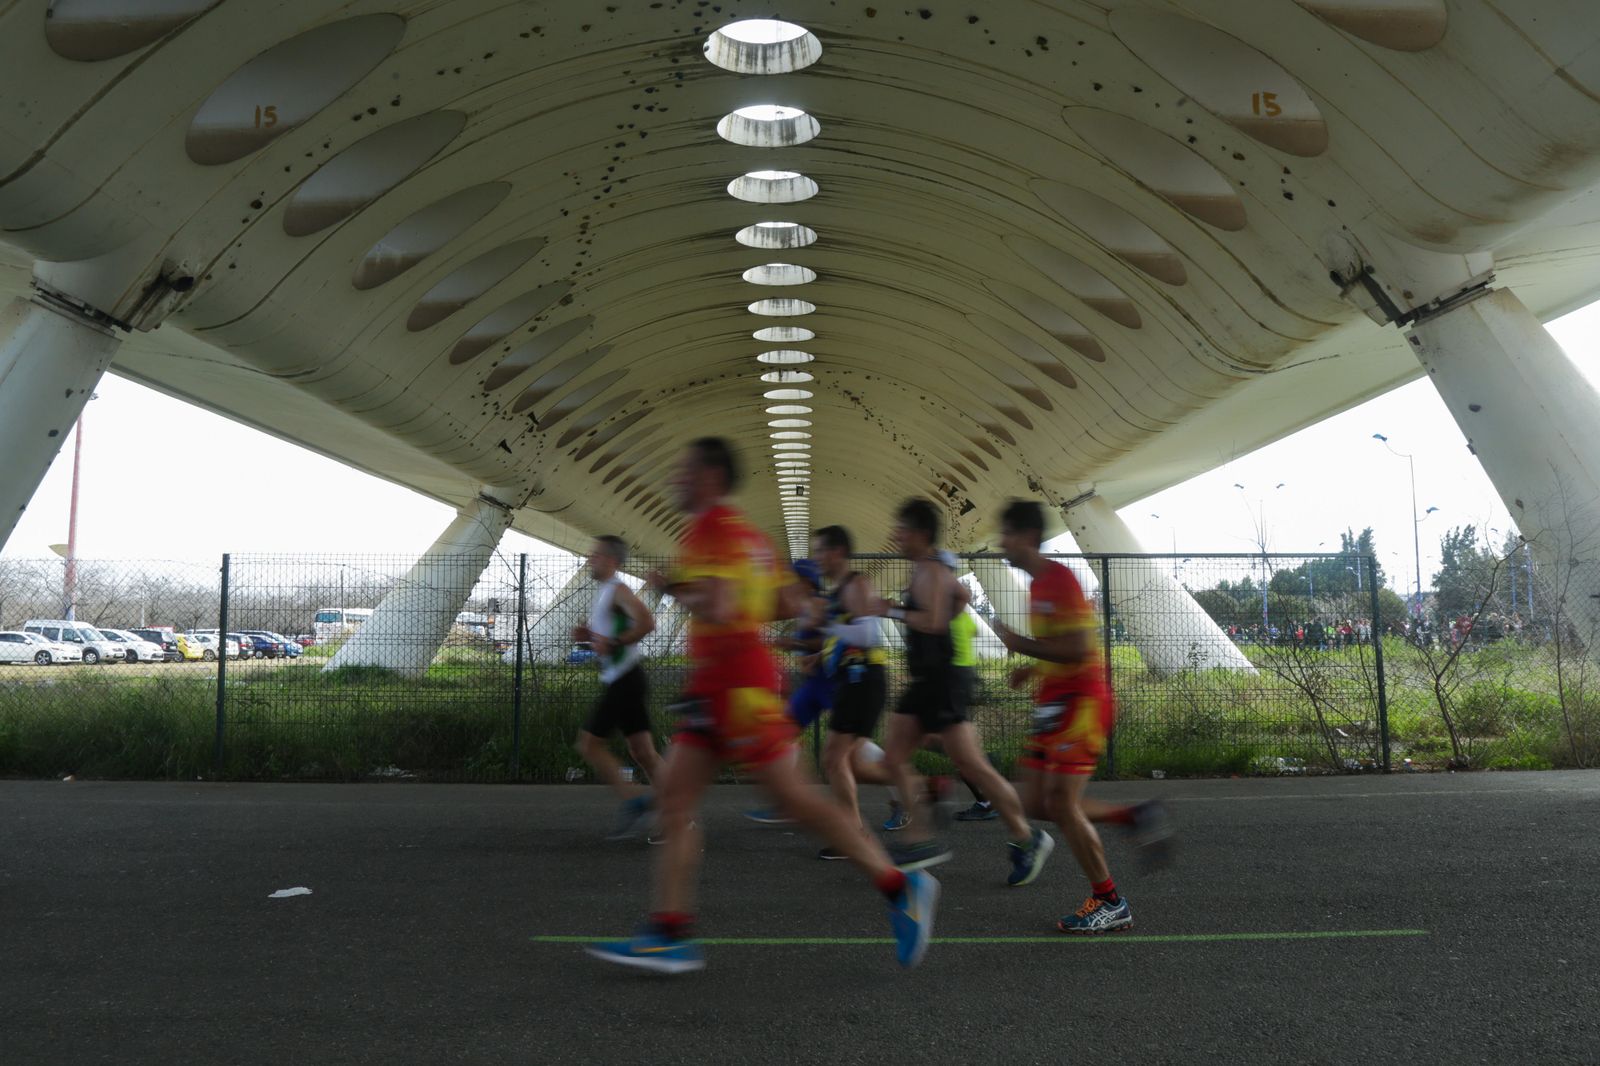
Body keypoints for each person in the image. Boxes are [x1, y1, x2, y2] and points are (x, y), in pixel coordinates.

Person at [586, 439, 937, 973]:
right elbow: (782, 601)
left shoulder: (707, 531)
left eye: (684, 471)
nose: (675, 480)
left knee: (794, 800)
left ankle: (900, 885)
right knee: (678, 803)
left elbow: (723, 602)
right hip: (721, 684)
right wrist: (802, 607)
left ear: (710, 477)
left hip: (735, 689)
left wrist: (673, 584)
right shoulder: (750, 539)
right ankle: (668, 930)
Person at [991, 500, 1172, 934]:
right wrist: (1032, 668)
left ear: (1028, 538)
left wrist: (1019, 644)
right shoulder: (1038, 587)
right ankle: (1133, 817)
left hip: (1081, 705)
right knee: (1034, 802)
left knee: (1063, 805)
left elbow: (1077, 649)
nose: (1001, 543)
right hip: (1054, 702)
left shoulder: (1060, 580)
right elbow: (1061, 648)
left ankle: (1109, 901)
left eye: (1007, 535)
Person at [881, 497, 1052, 886]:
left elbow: (935, 620)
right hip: (929, 679)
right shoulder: (928, 572)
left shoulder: (933, 573)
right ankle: (920, 837)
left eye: (902, 529)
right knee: (896, 755)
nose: (896, 535)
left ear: (921, 534)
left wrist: (887, 610)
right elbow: (962, 597)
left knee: (973, 766)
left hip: (942, 680)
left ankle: (1026, 838)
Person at [570, 535, 662, 841]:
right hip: (626, 678)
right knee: (644, 753)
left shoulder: (618, 589)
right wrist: (589, 637)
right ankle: (679, 815)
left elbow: (647, 622)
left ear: (611, 560)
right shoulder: (605, 593)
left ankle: (636, 800)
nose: (589, 559)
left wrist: (614, 642)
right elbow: (607, 642)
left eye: (595, 555)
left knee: (589, 744)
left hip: (623, 680)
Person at [810, 524, 892, 858]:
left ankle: (855, 834)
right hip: (853, 680)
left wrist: (825, 624)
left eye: (820, 551)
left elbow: (866, 635)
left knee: (834, 758)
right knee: (847, 761)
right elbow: (846, 637)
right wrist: (820, 654)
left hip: (864, 680)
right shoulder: (838, 590)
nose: (817, 558)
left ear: (838, 552)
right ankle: (913, 785)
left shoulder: (857, 584)